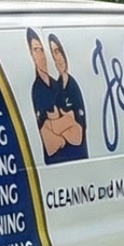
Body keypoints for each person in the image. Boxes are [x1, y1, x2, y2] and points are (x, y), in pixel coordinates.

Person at [24, 28, 86, 165]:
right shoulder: (36, 90)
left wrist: (51, 125)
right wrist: (67, 120)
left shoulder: (66, 86)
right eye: (36, 50)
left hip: (80, 166)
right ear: (31, 54)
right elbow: (49, 145)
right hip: (54, 170)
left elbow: (77, 135)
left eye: (42, 50)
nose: (41, 55)